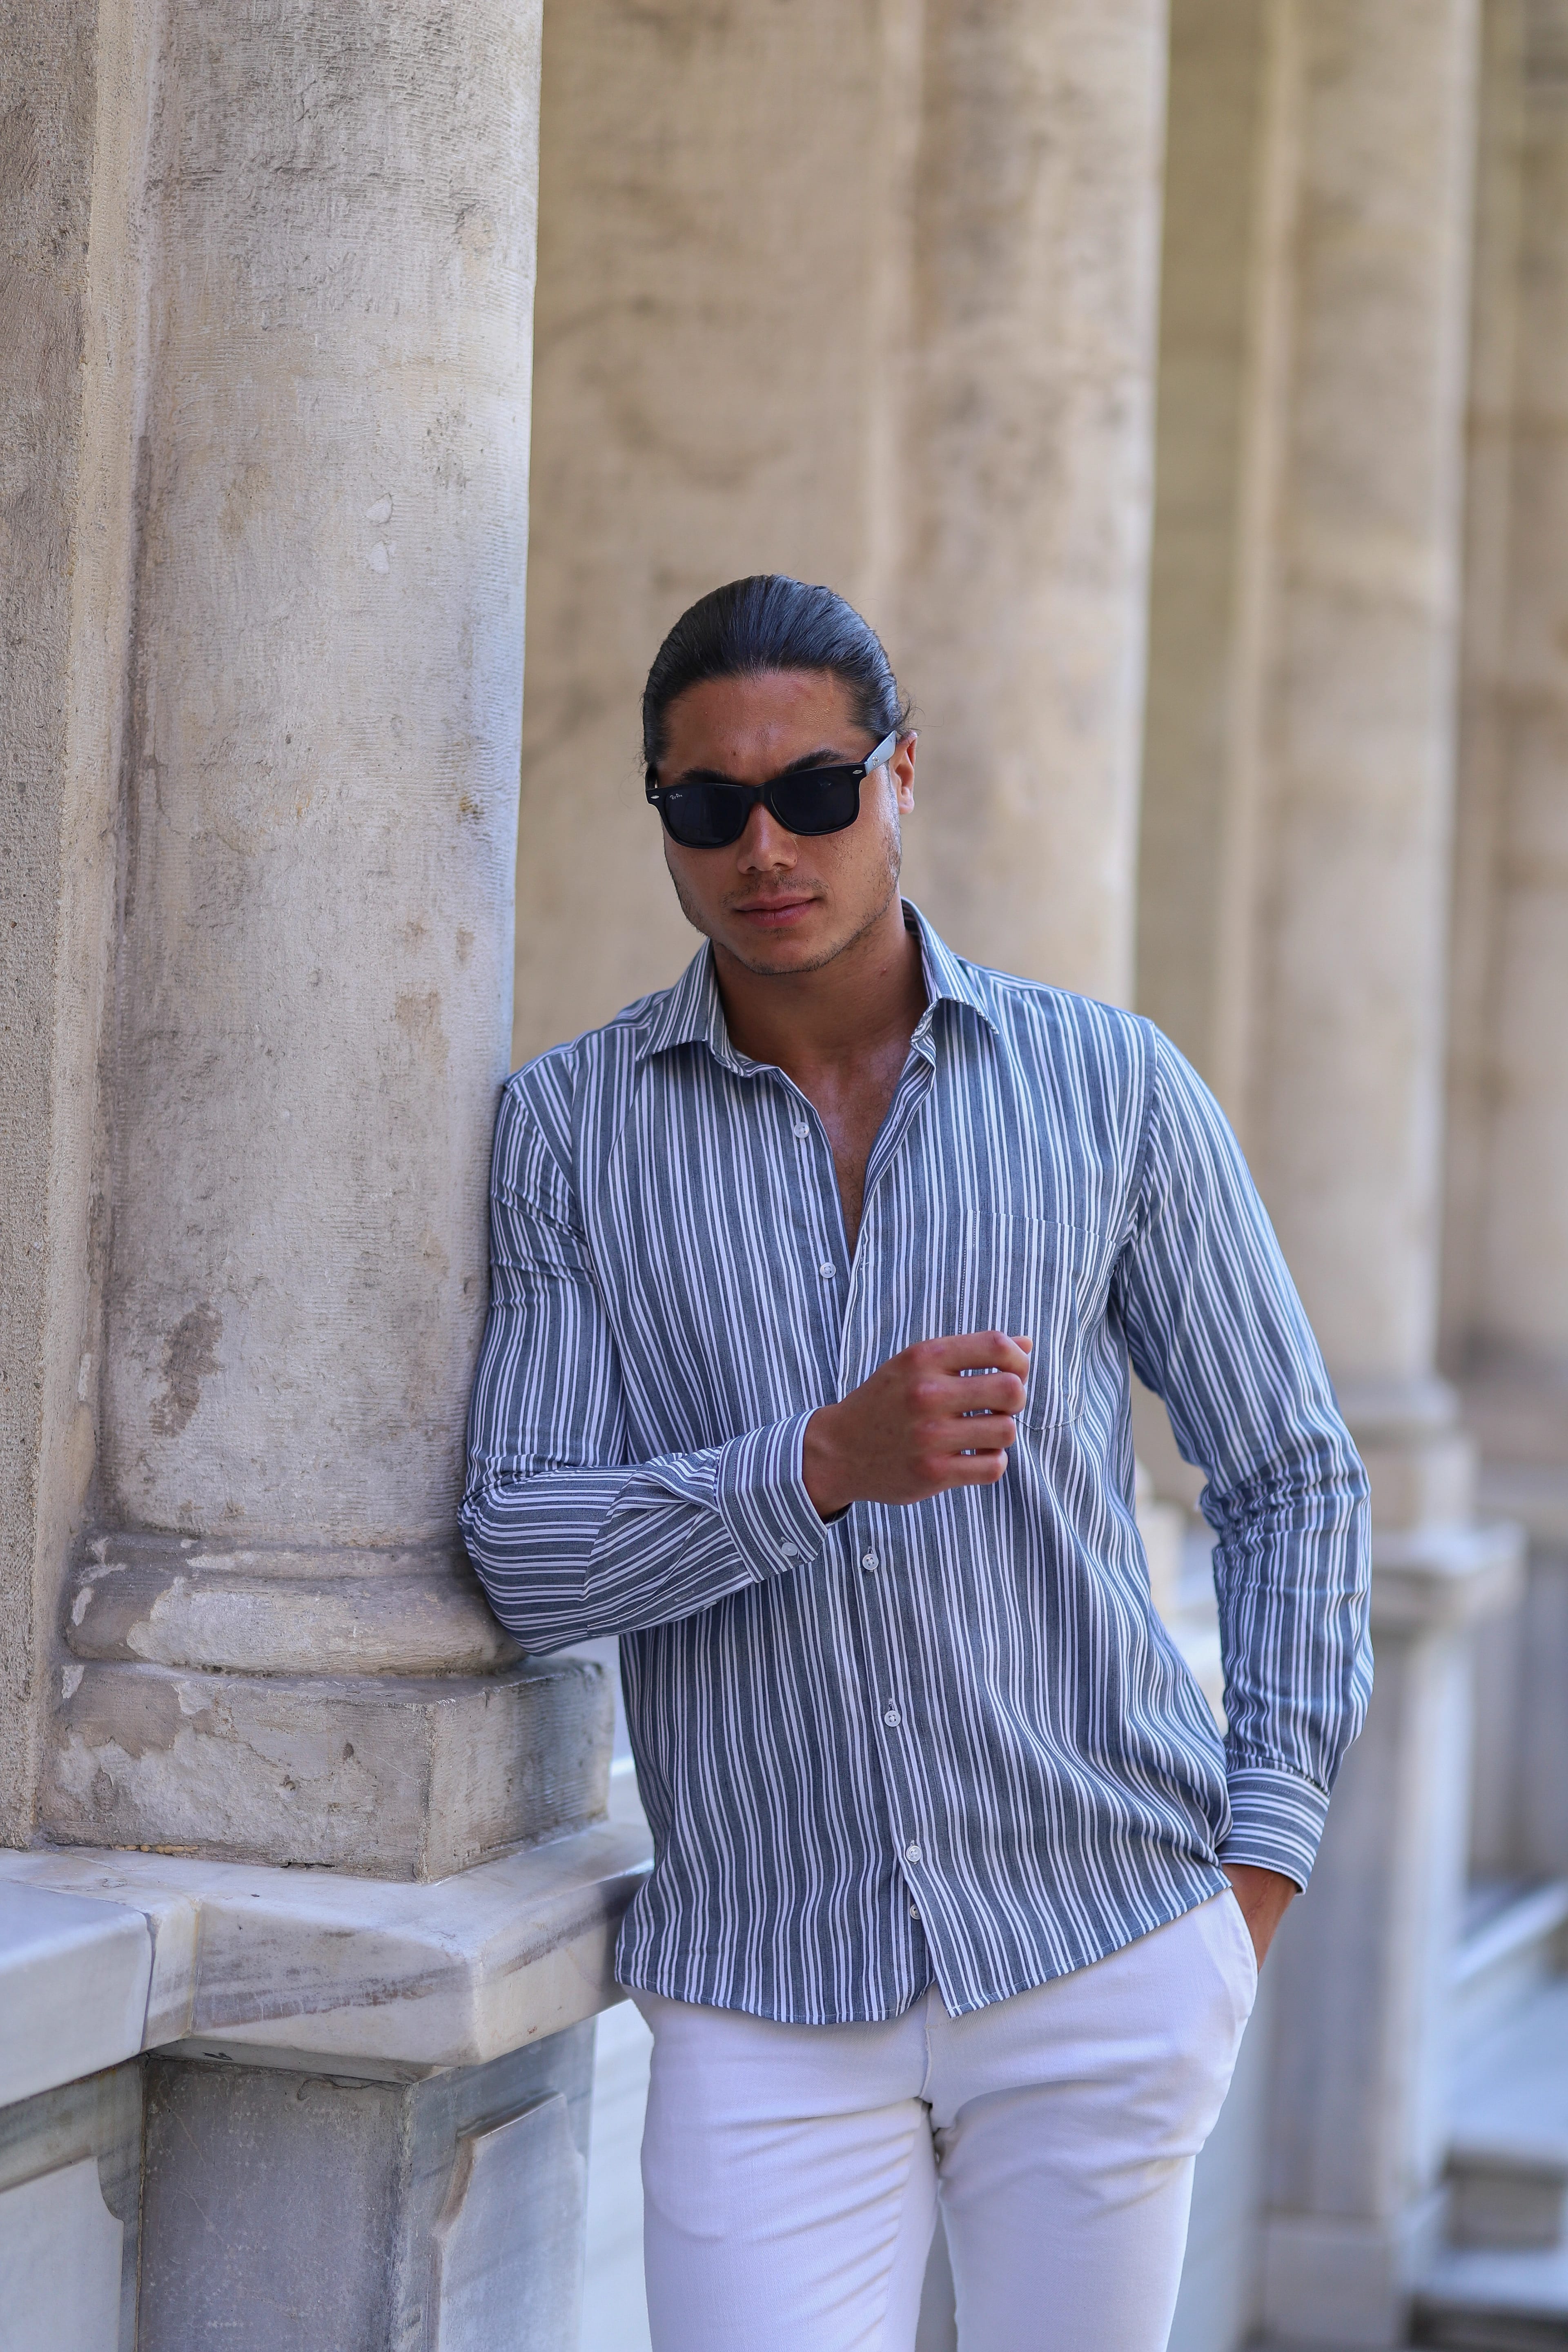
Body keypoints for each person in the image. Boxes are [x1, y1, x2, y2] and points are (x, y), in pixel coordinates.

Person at [460, 575, 1372, 2352]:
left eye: (815, 790)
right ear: (662, 814)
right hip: (762, 1991)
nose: (765, 847)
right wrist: (811, 1467)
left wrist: (1256, 1866)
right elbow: (522, 1548)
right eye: (709, 806)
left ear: (898, 778)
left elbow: (1290, 1473)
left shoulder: (1108, 1088)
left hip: (1100, 1947)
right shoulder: (570, 1129)